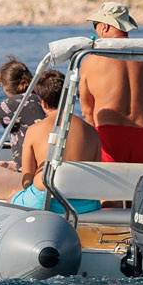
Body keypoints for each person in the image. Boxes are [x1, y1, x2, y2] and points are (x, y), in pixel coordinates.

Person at [78, 1, 143, 162]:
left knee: (106, 186)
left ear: (104, 27)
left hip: (108, 136)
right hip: (142, 135)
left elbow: (87, 112)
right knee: (138, 185)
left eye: (96, 25)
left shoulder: (92, 60)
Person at [13, 71, 101, 211]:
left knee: (12, 197)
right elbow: (95, 176)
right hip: (83, 204)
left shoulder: (34, 130)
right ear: (68, 98)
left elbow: (27, 180)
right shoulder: (91, 132)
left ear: (43, 103)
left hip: (44, 201)